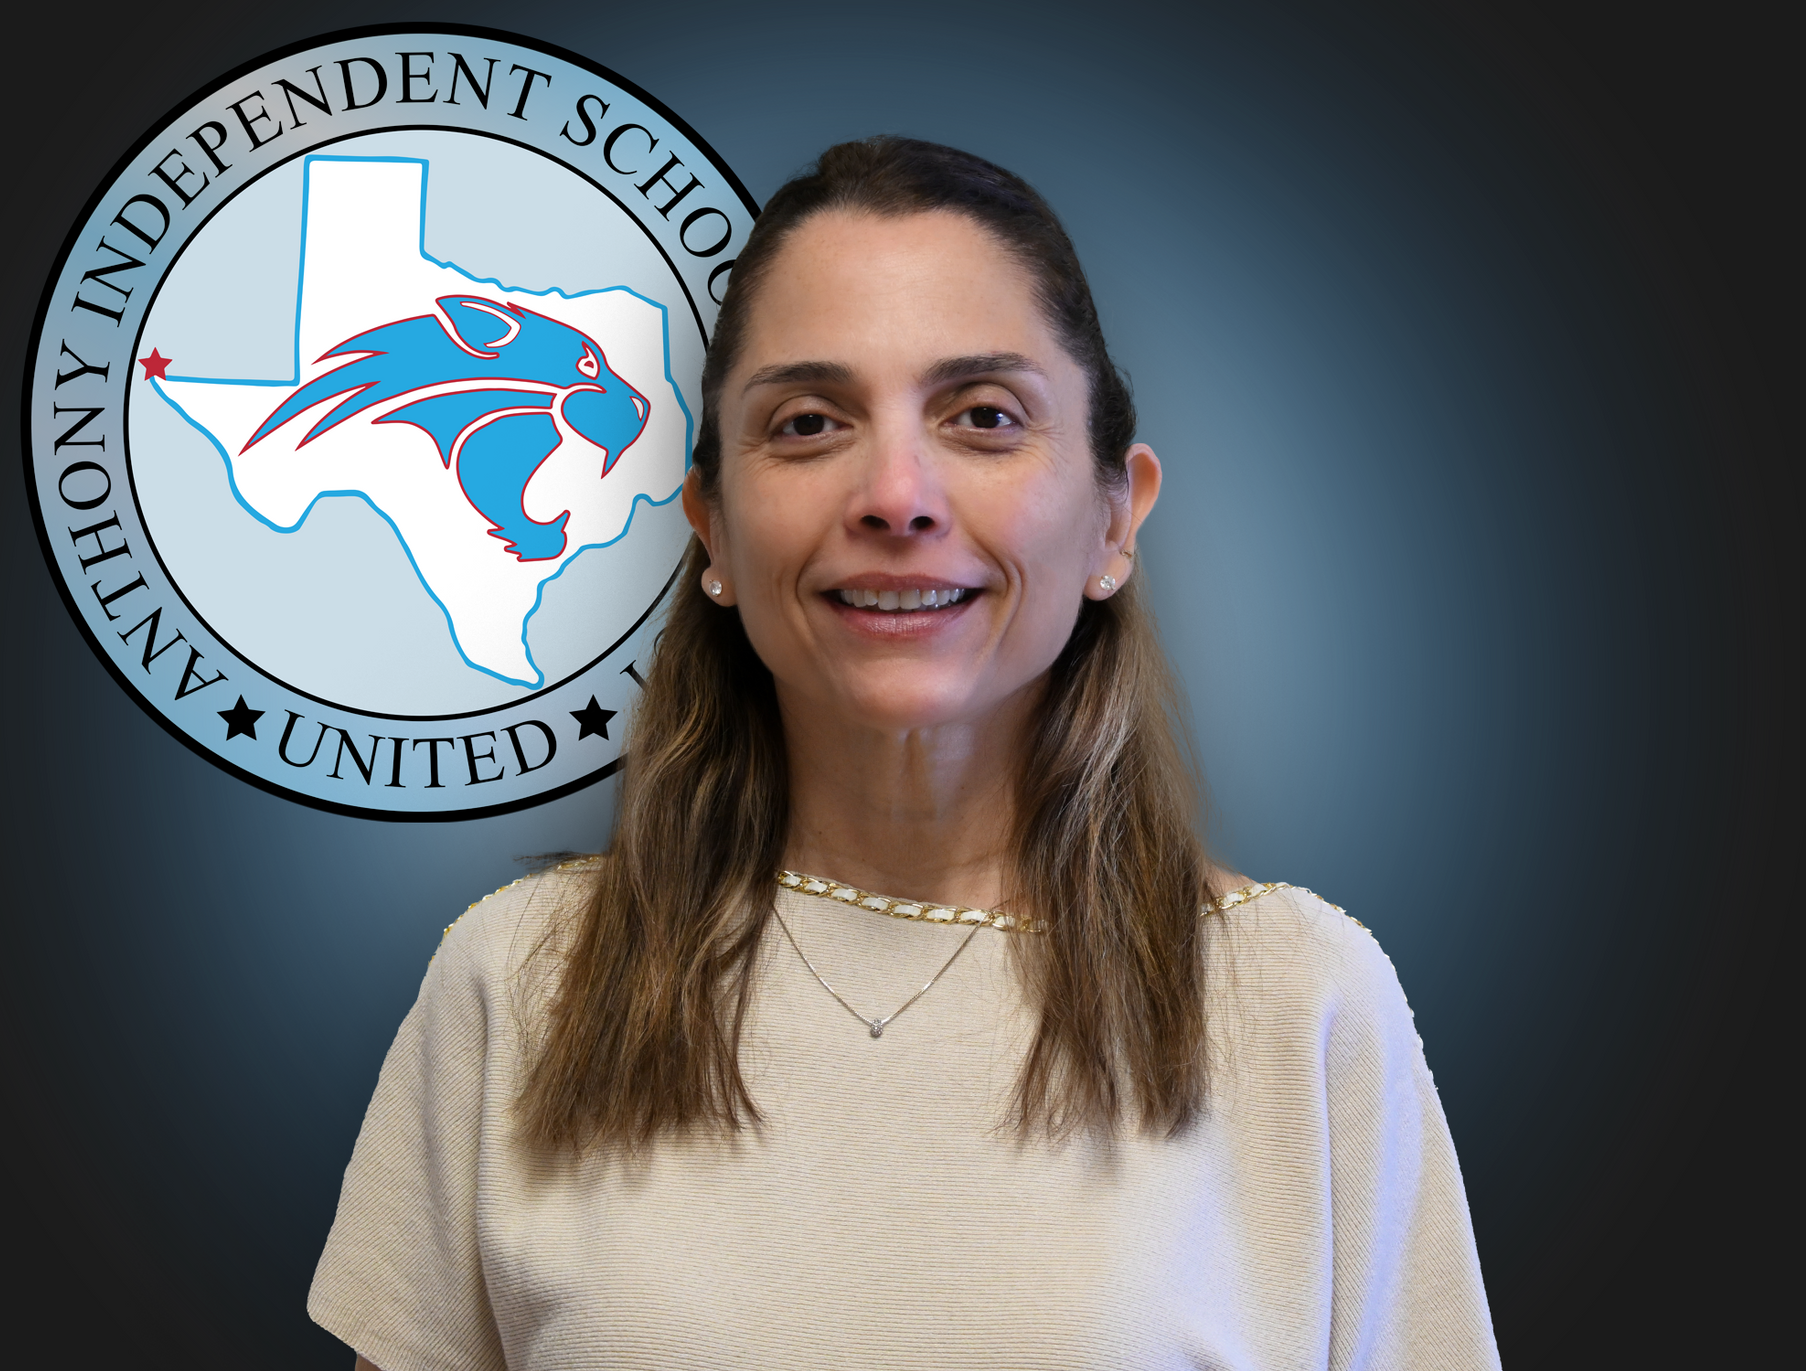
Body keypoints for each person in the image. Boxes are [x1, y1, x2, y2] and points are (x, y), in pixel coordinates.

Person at [310, 136, 1499, 1370]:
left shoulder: (1301, 999)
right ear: (713, 526)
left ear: (1113, 515)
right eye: (810, 421)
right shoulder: (522, 980)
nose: (896, 494)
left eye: (984, 417)